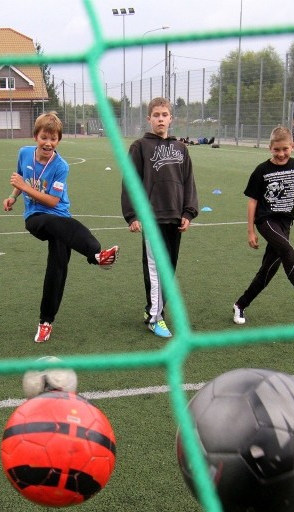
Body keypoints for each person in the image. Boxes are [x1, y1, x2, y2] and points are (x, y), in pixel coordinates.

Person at [4, 112, 119, 343]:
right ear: (36, 136)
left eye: (53, 139)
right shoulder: (24, 153)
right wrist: (13, 196)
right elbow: (21, 180)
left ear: (58, 140)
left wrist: (23, 187)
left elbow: (54, 202)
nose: (48, 143)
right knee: (47, 221)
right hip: (36, 217)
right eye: (44, 137)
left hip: (59, 216)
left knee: (57, 270)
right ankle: (95, 254)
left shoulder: (61, 166)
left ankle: (46, 322)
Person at [121, 97, 199, 339]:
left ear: (171, 118)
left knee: (169, 269)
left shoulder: (181, 148)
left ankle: (152, 310)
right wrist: (132, 214)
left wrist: (188, 211)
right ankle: (156, 317)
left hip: (175, 217)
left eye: (165, 115)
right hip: (152, 217)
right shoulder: (139, 147)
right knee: (155, 269)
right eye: (156, 115)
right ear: (149, 119)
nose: (161, 119)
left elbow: (188, 182)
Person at [232, 125, 294, 326]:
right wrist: (250, 231)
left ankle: (240, 304)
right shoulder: (261, 171)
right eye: (277, 150)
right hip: (266, 220)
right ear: (270, 148)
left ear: (293, 146)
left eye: (285, 149)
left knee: (268, 270)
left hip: (285, 222)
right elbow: (252, 201)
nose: (281, 154)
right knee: (288, 251)